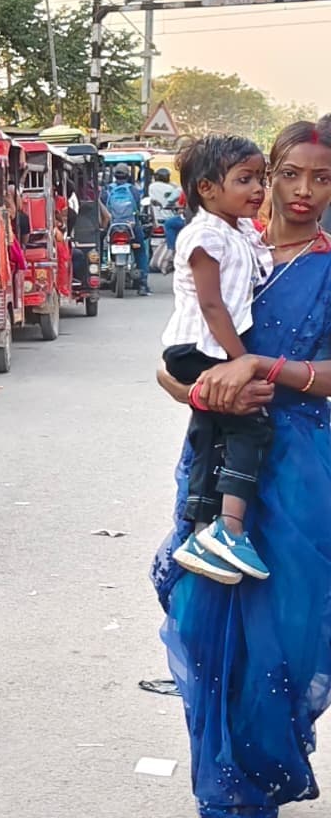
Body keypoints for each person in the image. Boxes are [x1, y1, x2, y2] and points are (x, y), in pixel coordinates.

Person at [151, 119, 331, 818]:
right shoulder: (235, 250)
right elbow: (174, 366)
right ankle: (219, 792)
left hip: (297, 477)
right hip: (221, 461)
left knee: (276, 647)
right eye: (289, 174)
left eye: (322, 178)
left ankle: (248, 796)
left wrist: (268, 367)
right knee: (205, 632)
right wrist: (205, 388)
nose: (302, 191)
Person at [160, 135, 272, 584]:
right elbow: (212, 306)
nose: (257, 189)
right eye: (244, 179)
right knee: (251, 424)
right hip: (197, 349)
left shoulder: (239, 230)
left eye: (260, 178)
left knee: (212, 432)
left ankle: (200, 530)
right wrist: (242, 361)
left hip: (212, 350)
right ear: (207, 188)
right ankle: (229, 528)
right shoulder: (205, 234)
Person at [103, 163, 150, 295]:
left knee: (100, 244)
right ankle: (143, 284)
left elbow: (103, 209)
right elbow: (138, 209)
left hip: (112, 226)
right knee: (140, 250)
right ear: (128, 176)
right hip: (131, 226)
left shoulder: (107, 190)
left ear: (114, 175)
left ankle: (101, 268)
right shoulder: (133, 190)